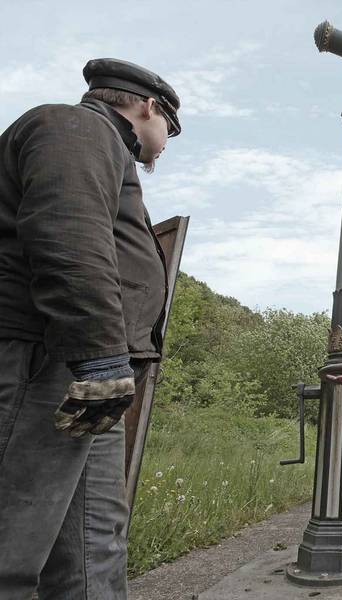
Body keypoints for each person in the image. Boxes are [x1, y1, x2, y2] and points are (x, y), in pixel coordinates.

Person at [0, 58, 181, 599]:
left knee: (93, 551)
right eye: (170, 130)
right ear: (149, 106)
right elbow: (67, 230)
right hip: (46, 361)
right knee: (11, 547)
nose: (166, 145)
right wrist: (100, 358)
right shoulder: (74, 126)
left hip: (86, 378)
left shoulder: (100, 145)